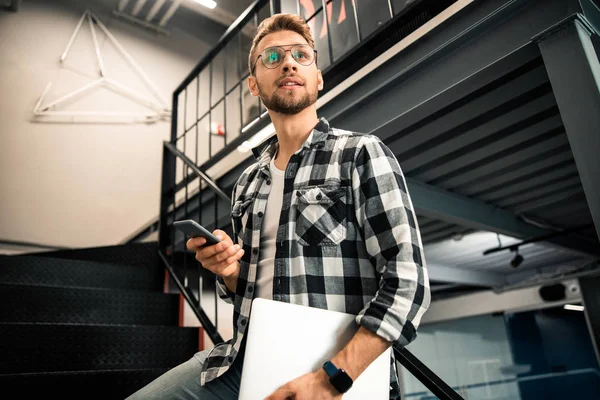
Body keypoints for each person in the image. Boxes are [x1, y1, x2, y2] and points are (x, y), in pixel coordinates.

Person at [127, 12, 430, 400]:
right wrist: (229, 270)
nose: (288, 62)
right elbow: (243, 289)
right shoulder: (248, 182)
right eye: (272, 57)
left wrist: (332, 379)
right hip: (242, 358)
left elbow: (409, 283)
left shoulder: (360, 154)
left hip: (336, 371)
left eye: (301, 55)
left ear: (318, 77)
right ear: (254, 84)